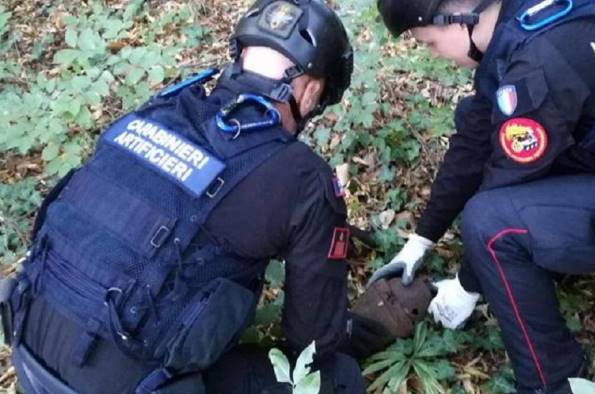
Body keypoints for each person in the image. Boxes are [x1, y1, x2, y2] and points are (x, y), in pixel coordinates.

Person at [0, 1, 391, 393]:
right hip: (126, 382)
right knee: (336, 378)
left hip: (28, 345)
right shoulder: (304, 179)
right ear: (311, 92)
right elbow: (314, 340)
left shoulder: (157, 111)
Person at [369, 0, 595, 392]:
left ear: (459, 20)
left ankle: (553, 381)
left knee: (490, 224)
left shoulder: (539, 65)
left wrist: (467, 284)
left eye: (430, 44)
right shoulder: (525, 21)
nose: (435, 56)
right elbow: (474, 140)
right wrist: (420, 240)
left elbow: (506, 180)